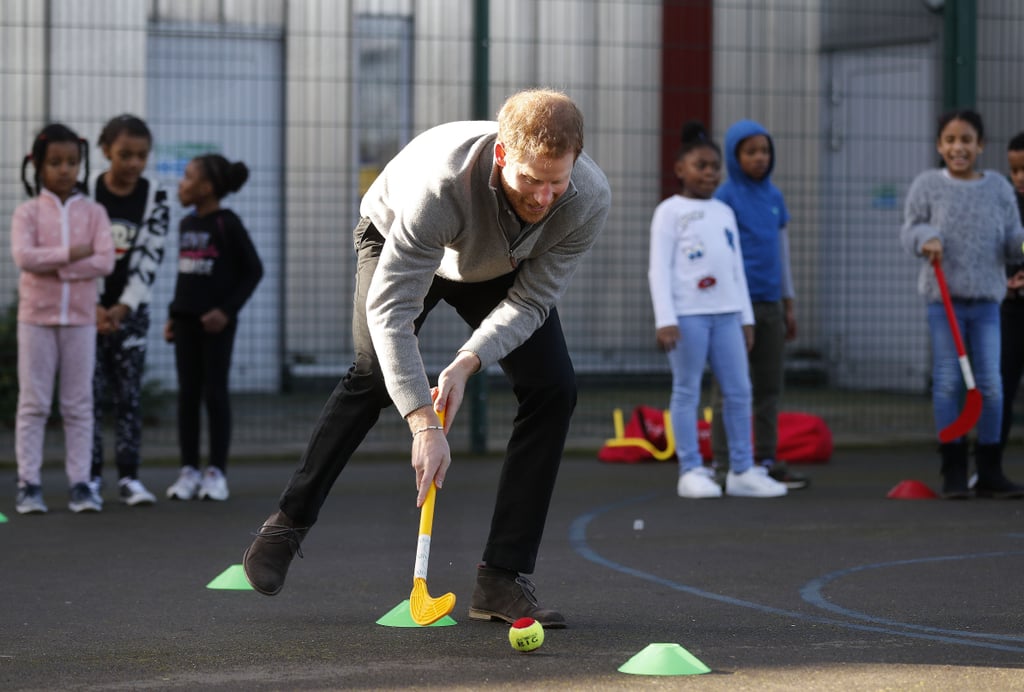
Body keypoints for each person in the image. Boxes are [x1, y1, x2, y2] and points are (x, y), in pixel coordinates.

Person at [241, 88, 610, 628]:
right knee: (373, 374)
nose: (543, 197)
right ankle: (287, 523)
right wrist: (422, 424)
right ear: (503, 156)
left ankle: (501, 579)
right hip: (400, 236)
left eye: (557, 181)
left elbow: (530, 300)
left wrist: (467, 361)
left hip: (498, 261)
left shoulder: (587, 198)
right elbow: (392, 311)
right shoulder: (441, 184)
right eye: (530, 180)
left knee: (553, 388)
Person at [648, 121, 787, 500]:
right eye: (700, 166)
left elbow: (735, 268)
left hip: (728, 316)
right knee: (687, 391)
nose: (709, 173)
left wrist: (745, 317)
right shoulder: (669, 212)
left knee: (740, 390)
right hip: (688, 317)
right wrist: (666, 319)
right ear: (680, 170)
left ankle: (742, 469)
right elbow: (658, 269)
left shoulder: (724, 212)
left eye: (714, 167)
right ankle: (691, 469)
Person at [901, 109, 1024, 499]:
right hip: (945, 303)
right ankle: (953, 469)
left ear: (980, 145)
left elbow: (1014, 239)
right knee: (948, 382)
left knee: (990, 383)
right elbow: (909, 229)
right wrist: (924, 238)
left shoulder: (999, 189)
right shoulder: (926, 185)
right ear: (940, 146)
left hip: (987, 302)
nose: (959, 148)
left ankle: (988, 470)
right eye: (951, 140)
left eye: (967, 140)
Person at [11, 123, 115, 514]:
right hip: (35, 319)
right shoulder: (27, 212)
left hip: (81, 320)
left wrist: (56, 264)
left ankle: (81, 484)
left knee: (78, 404)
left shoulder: (94, 211)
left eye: (71, 162)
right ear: (38, 165)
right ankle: (29, 483)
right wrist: (74, 253)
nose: (64, 169)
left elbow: (105, 259)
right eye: (55, 162)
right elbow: (24, 257)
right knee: (34, 403)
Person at [708, 118, 808, 490]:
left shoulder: (774, 197)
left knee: (769, 388)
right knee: (729, 388)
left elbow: (782, 254)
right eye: (750, 152)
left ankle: (766, 460)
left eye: (764, 151)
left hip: (770, 307)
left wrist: (789, 303)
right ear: (735, 157)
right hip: (734, 309)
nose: (759, 158)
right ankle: (723, 463)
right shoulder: (725, 198)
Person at [163, 154, 263, 502]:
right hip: (186, 323)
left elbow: (254, 270)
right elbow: (185, 276)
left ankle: (215, 473)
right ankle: (188, 471)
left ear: (206, 188)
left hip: (217, 326)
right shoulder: (186, 224)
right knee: (187, 395)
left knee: (214, 394)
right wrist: (173, 316)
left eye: (187, 177)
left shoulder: (227, 224)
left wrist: (225, 311)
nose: (181, 183)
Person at [89, 114, 170, 508]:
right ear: (106, 151)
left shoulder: (156, 195)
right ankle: (86, 479)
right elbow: (79, 251)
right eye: (125, 155)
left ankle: (128, 478)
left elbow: (151, 257)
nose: (134, 163)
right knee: (86, 396)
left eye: (141, 155)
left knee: (128, 396)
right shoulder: (86, 192)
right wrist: (95, 305)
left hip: (131, 311)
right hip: (87, 309)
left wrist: (121, 307)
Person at [998, 132, 1024, 453]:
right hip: (1010, 310)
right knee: (1001, 387)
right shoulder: (1007, 204)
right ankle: (989, 465)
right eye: (1014, 170)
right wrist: (1003, 280)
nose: (1019, 177)